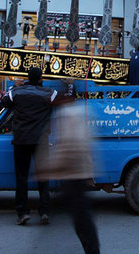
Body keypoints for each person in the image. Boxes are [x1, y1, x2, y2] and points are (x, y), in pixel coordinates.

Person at [1, 67, 73, 226]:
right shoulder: (48, 93)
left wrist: (14, 85)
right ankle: (44, 211)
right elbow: (68, 99)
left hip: (21, 141)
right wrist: (69, 85)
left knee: (21, 178)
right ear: (41, 79)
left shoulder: (17, 93)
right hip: (41, 142)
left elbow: (4, 101)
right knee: (43, 177)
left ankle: (22, 213)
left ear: (27, 78)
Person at [39, 103, 100, 254]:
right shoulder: (78, 112)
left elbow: (71, 146)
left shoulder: (67, 114)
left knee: (81, 222)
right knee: (81, 221)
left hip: (73, 175)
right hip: (76, 174)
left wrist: (50, 167)